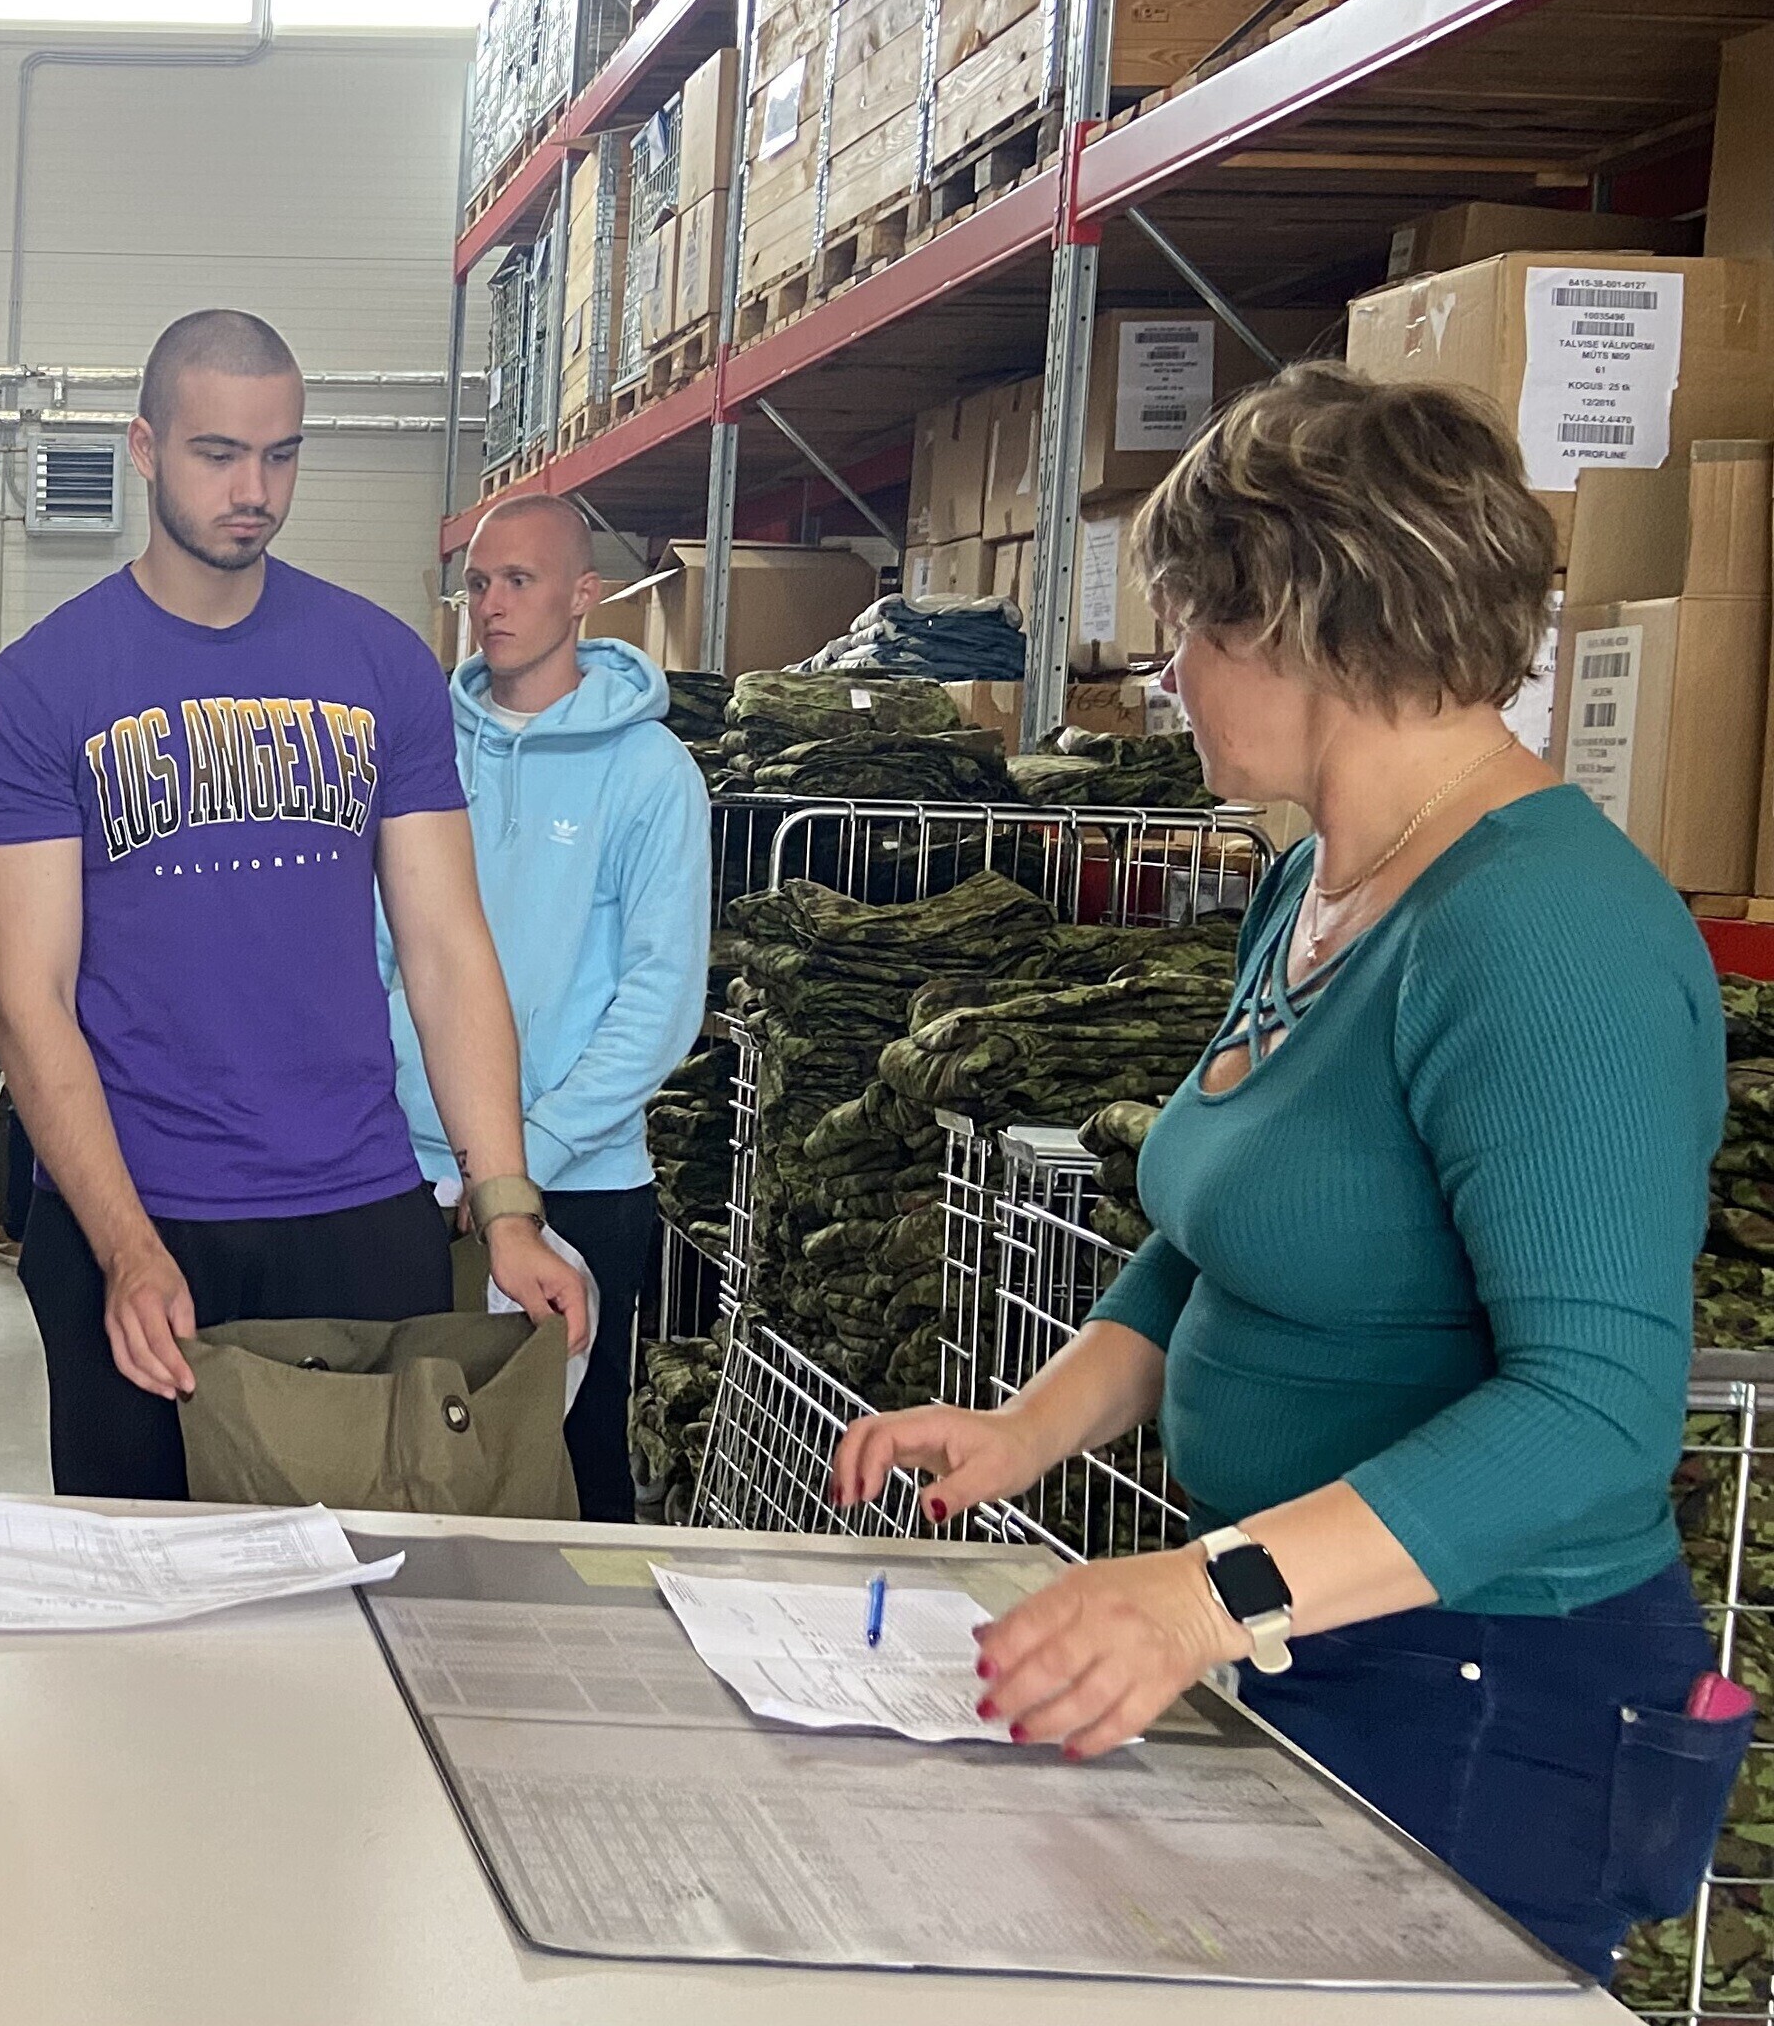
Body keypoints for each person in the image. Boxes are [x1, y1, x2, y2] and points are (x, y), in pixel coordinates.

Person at [830, 364, 1740, 1978]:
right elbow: (1222, 1231)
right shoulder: (1320, 882)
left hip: (1488, 1690)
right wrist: (1030, 1428)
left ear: (1314, 620)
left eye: (1190, 623)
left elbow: (1598, 1413)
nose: (1165, 670)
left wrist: (1208, 1591)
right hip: (1317, 1641)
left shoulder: (1546, 934)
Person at [0, 308, 591, 1503]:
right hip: (135, 1213)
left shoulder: (380, 665)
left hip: (354, 1209)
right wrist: (123, 1244)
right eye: (217, 454)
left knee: (367, 1584)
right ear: (145, 448)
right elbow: (31, 996)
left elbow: (446, 950)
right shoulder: (44, 686)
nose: (253, 490)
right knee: (147, 1583)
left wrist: (507, 1205)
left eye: (281, 453)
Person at [390, 494, 707, 1523]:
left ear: (584, 595)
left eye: (518, 581)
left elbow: (662, 995)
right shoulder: (422, 751)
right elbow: (377, 950)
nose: (490, 604)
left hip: (583, 1180)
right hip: (410, 1169)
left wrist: (525, 1158)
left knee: (569, 1471)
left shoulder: (651, 774)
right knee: (405, 1458)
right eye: (477, 583)